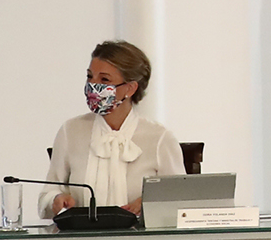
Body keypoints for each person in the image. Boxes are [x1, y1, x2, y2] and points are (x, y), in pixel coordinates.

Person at [45, 40, 184, 217]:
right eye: (89, 76)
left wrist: (149, 204)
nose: (93, 86)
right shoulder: (70, 131)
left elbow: (179, 199)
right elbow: (48, 193)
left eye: (104, 79)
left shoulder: (159, 138)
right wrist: (56, 199)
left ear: (130, 88)